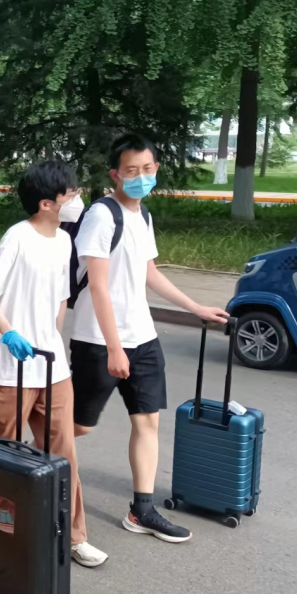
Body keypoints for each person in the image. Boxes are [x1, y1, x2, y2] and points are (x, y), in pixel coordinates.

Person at [0, 161, 107, 567]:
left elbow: (60, 298)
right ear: (46, 203)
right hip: (12, 364)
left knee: (62, 453)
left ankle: (74, 536)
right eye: (71, 194)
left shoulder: (64, 241)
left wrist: (54, 341)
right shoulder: (17, 237)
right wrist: (9, 333)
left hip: (51, 366)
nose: (77, 199)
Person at [71, 133, 229, 543]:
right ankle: (25, 469)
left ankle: (141, 511)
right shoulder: (101, 216)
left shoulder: (144, 216)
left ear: (156, 169)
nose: (140, 176)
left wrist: (195, 308)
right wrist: (114, 347)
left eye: (146, 169)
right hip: (98, 341)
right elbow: (98, 286)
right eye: (131, 170)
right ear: (115, 174)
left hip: (142, 337)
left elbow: (150, 273)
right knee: (77, 427)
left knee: (147, 422)